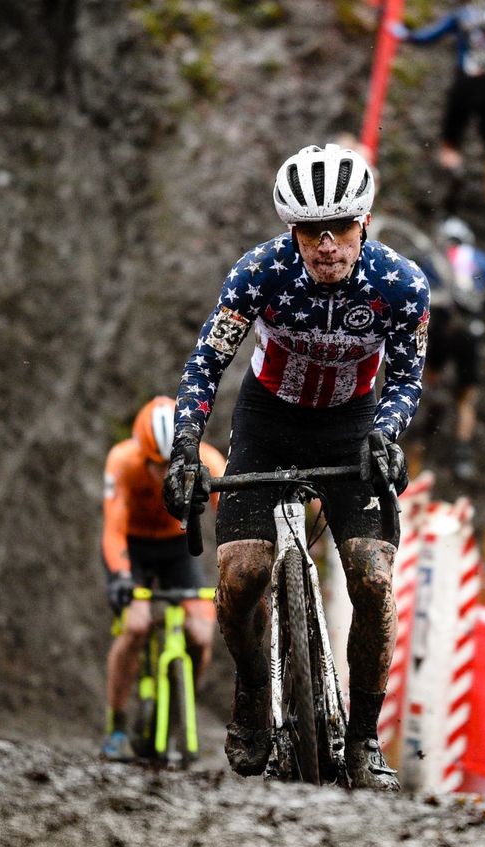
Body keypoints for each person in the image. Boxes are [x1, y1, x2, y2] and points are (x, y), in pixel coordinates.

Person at [163, 143, 429, 790]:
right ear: (293, 231)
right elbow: (206, 365)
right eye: (311, 231)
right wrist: (185, 448)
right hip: (269, 420)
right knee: (242, 574)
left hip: (351, 425)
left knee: (371, 579)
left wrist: (386, 434)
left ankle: (363, 739)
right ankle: (253, 692)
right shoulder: (260, 273)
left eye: (340, 228)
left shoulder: (401, 284)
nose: (327, 244)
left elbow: (408, 378)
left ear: (364, 222)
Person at [100, 396, 227, 761]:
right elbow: (112, 529)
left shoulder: (209, 461)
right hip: (133, 547)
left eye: (171, 463)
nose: (163, 474)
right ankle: (117, 726)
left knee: (201, 636)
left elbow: (228, 524)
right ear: (143, 455)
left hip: (177, 547)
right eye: (155, 465)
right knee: (136, 627)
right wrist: (122, 577)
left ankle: (176, 712)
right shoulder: (123, 462)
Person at [394, 3, 485, 221]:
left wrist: (406, 35)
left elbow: (429, 36)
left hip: (465, 85)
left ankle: (449, 190)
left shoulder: (463, 16)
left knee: (451, 142)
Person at [421, 216, 485, 479]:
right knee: (467, 395)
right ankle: (461, 455)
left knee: (431, 373)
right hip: (469, 330)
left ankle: (429, 415)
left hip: (441, 328)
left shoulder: (433, 257)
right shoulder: (479, 259)